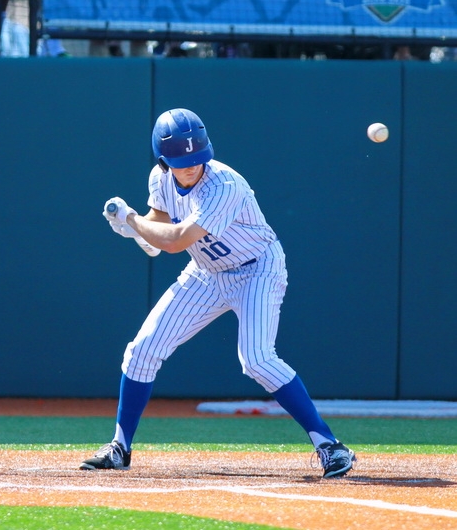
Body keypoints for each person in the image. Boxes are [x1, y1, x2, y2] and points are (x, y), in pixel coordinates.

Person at [82, 108, 356, 479]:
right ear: (164, 160)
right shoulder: (160, 179)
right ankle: (120, 446)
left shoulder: (224, 185)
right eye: (181, 160)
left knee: (257, 359)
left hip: (257, 266)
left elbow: (176, 241)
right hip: (207, 272)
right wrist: (141, 230)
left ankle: (329, 446)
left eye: (196, 157)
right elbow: (159, 226)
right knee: (141, 351)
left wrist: (131, 222)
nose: (191, 166)